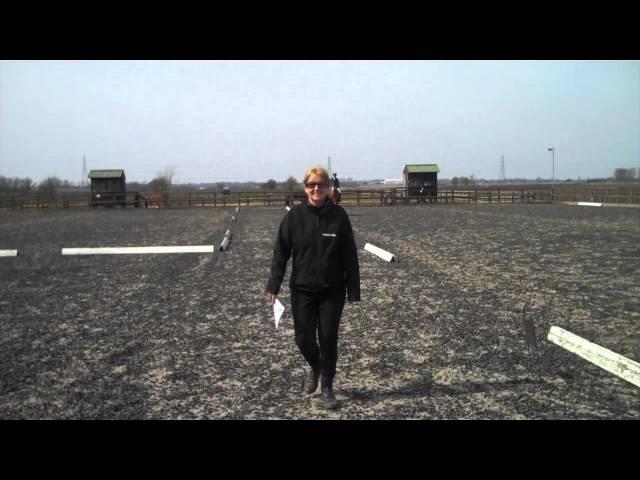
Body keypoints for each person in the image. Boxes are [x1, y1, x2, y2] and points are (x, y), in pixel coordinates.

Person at [266, 165, 360, 410]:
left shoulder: (339, 217)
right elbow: (280, 253)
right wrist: (273, 283)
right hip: (302, 290)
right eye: (311, 184)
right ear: (305, 187)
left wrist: (354, 290)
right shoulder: (293, 218)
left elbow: (350, 254)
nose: (316, 188)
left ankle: (327, 387)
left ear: (328, 187)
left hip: (332, 290)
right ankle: (316, 366)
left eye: (321, 184)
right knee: (303, 339)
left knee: (328, 338)